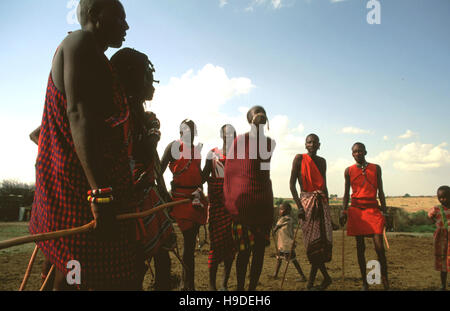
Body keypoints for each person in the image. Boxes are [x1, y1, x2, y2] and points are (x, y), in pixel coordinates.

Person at [28, 0, 138, 290]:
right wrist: (100, 194)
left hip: (84, 187)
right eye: (119, 17)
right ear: (94, 14)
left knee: (82, 273)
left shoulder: (92, 55)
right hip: (79, 190)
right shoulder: (81, 44)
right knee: (82, 273)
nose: (126, 26)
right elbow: (78, 116)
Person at [110, 48, 175, 291]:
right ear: (130, 76)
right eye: (147, 76)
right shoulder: (115, 114)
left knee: (156, 261)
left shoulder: (144, 119)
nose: (152, 83)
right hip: (116, 202)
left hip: (142, 197)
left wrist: (161, 188)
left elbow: (151, 158)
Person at [224, 106, 276, 291]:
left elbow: (261, 167)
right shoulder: (239, 141)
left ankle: (252, 289)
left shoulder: (270, 142)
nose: (260, 116)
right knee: (244, 253)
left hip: (262, 205)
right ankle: (240, 289)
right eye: (256, 113)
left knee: (259, 253)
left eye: (263, 112)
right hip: (243, 207)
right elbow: (231, 172)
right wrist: (231, 199)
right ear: (249, 119)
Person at [161, 119, 208, 290]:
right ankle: (186, 284)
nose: (190, 132)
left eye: (193, 129)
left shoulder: (197, 151)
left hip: (194, 200)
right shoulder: (173, 146)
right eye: (187, 129)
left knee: (189, 244)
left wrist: (209, 169)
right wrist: (165, 195)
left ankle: (187, 284)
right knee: (188, 242)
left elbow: (198, 176)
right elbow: (159, 171)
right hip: (179, 199)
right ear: (181, 131)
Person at [340, 142, 389, 290]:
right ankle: (364, 282)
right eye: (354, 152)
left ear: (365, 152)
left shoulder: (376, 168)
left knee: (379, 247)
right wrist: (343, 210)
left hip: (373, 210)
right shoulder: (348, 171)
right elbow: (346, 193)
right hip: (356, 211)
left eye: (359, 151)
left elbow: (381, 191)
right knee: (360, 248)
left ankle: (385, 280)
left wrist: (385, 211)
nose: (357, 154)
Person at [289, 134, 333, 290]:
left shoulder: (322, 161)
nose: (312, 144)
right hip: (307, 204)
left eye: (315, 142)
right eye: (309, 142)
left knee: (321, 245)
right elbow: (292, 185)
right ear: (305, 144)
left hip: (322, 205)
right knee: (311, 245)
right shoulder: (299, 159)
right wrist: (299, 207)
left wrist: (329, 211)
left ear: (319, 145)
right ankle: (325, 278)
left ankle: (310, 283)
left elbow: (325, 185)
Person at [202, 124, 237, 291]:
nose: (229, 137)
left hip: (233, 206)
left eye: (232, 134)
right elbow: (203, 176)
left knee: (231, 246)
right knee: (215, 246)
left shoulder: (239, 156)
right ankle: (211, 284)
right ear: (221, 135)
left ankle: (223, 283)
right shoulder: (212, 154)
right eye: (226, 134)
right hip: (216, 207)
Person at [272, 201, 307, 281]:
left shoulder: (284, 219)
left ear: (285, 211)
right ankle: (275, 274)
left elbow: (275, 228)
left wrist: (272, 229)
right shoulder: (289, 219)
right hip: (284, 243)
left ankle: (302, 276)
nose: (279, 211)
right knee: (279, 259)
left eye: (281, 209)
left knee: (293, 260)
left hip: (286, 244)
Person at [428, 185, 449, 291]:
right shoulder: (437, 209)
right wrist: (438, 224)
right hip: (442, 241)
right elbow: (430, 216)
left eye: (445, 197)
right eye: (440, 197)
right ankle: (443, 285)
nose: (442, 200)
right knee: (443, 263)